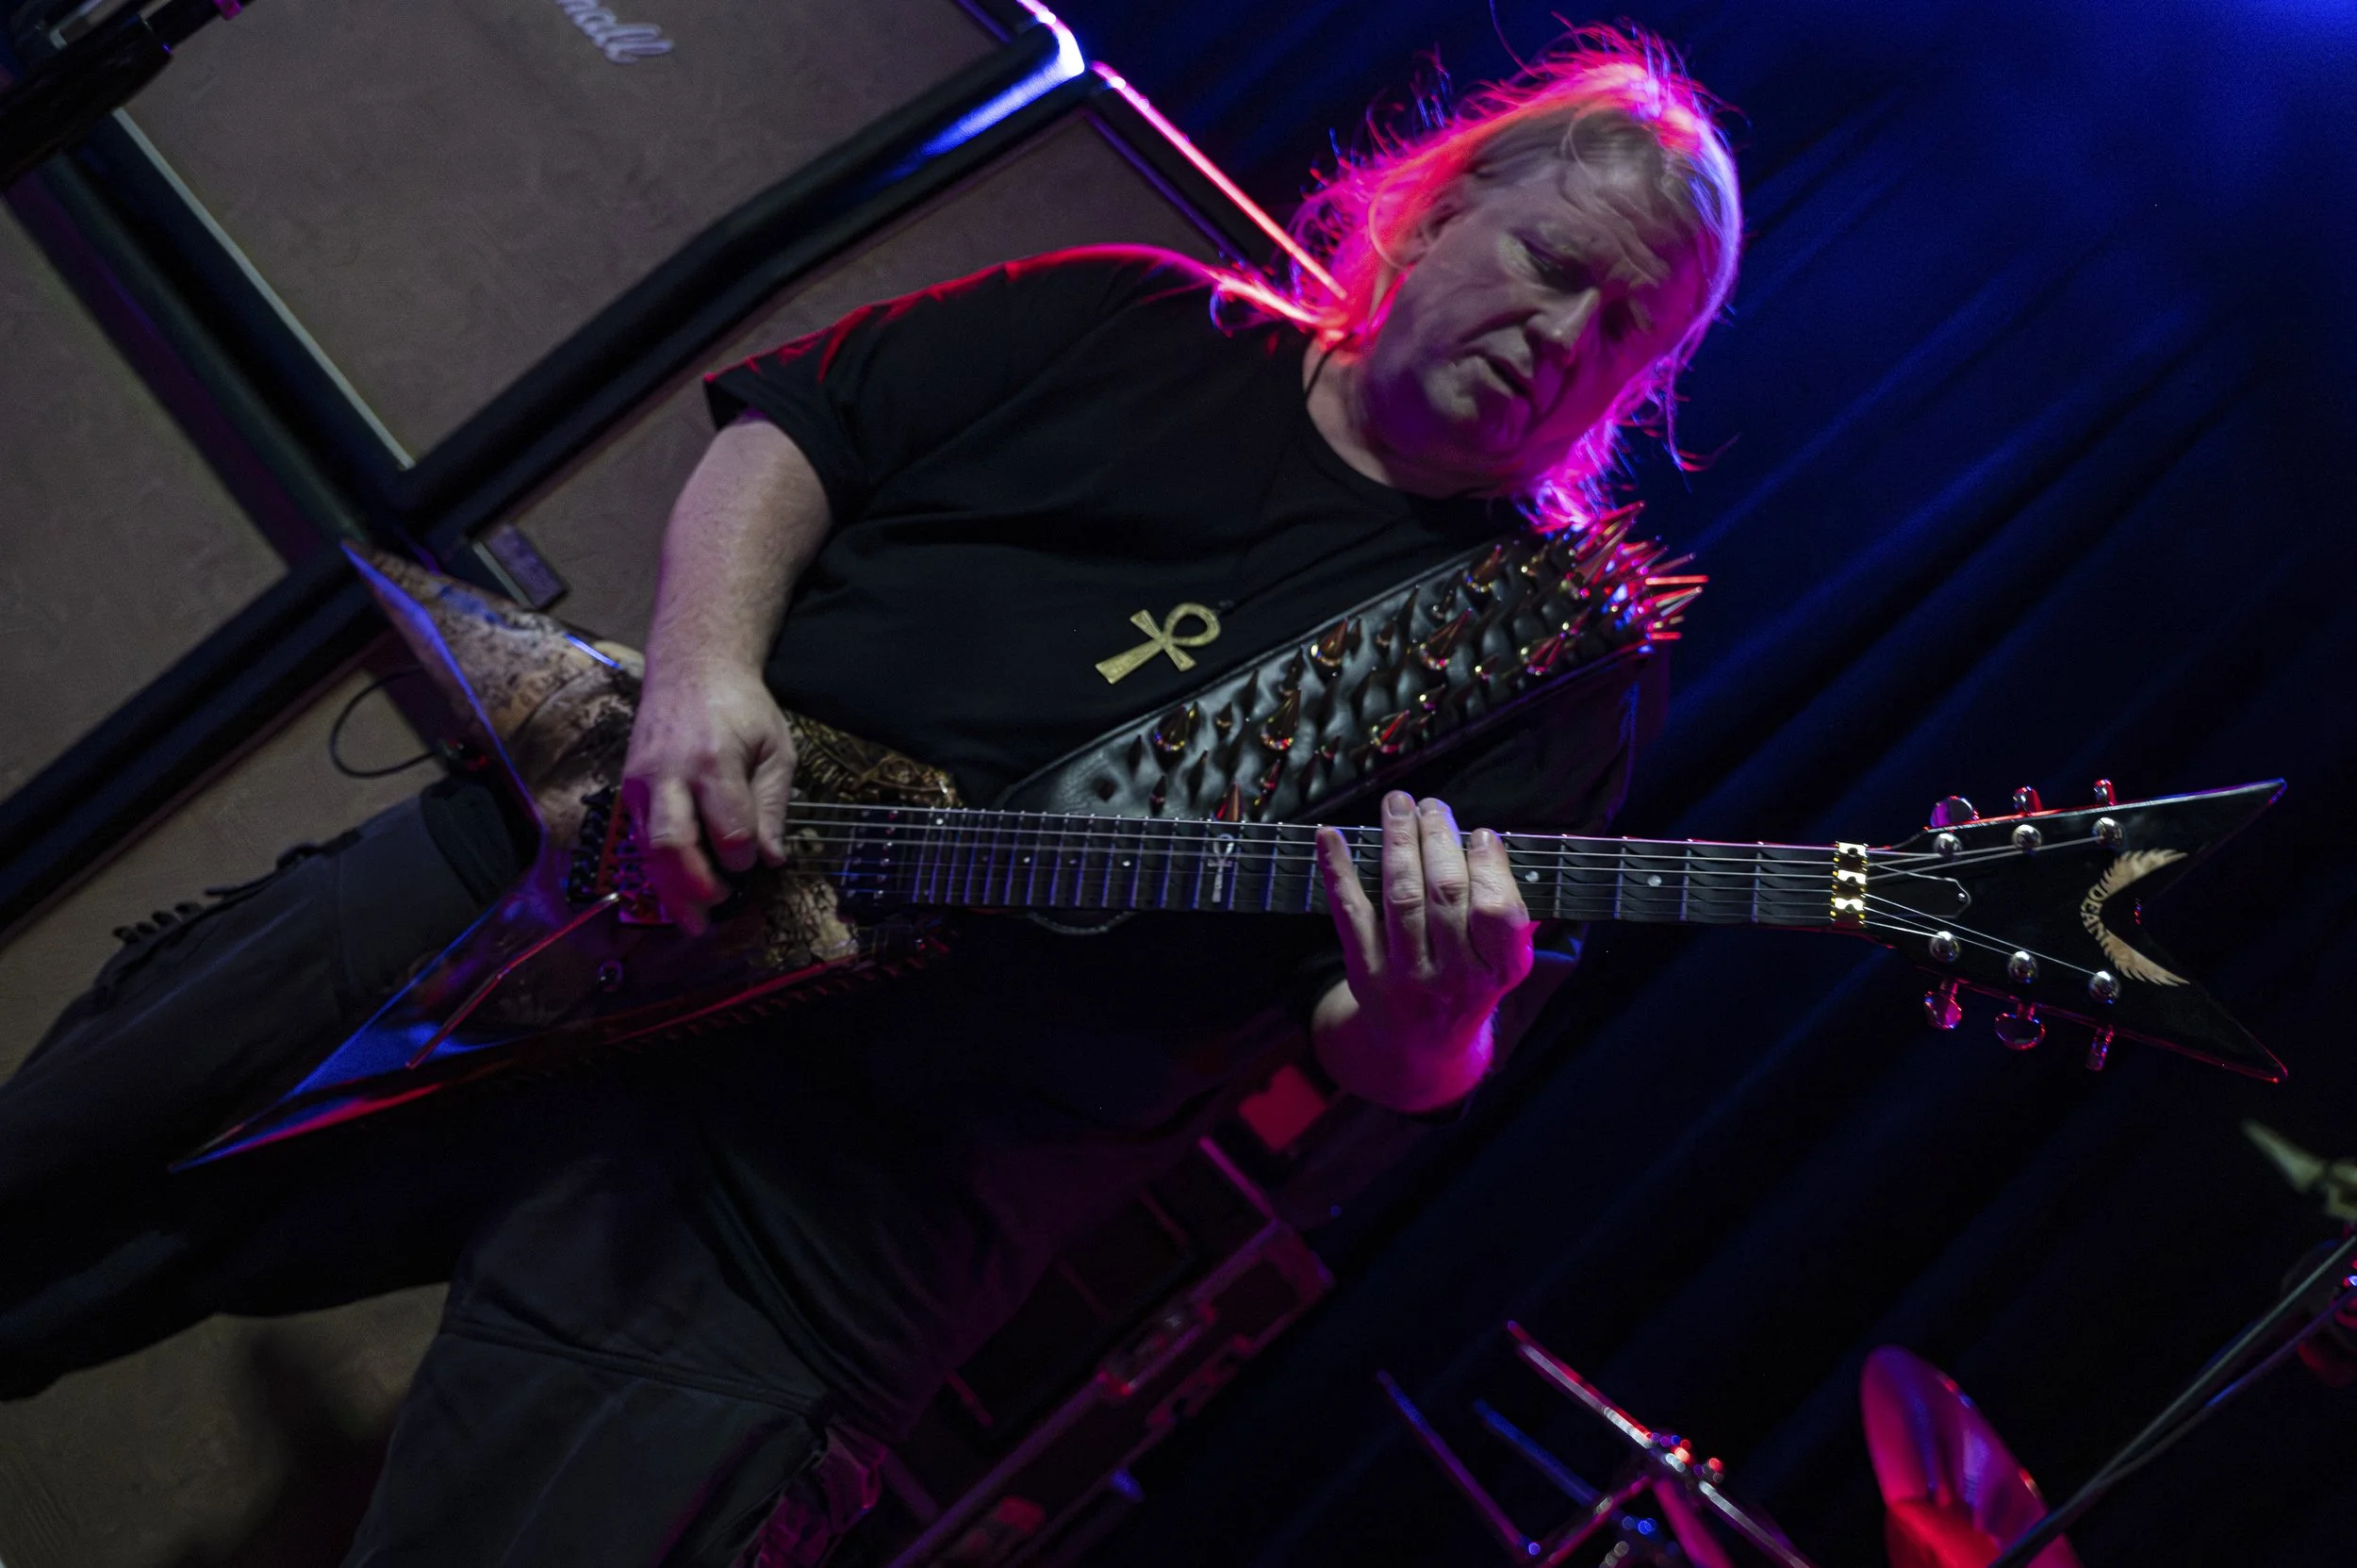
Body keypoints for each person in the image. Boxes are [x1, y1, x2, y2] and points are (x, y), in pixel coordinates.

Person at [0, 27, 1740, 1567]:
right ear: (1436, 215)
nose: (1572, 333)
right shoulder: (1140, 312)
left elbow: (1386, 1058)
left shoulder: (1554, 656)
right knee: (53, 1192)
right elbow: (796, 434)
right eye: (1558, 263)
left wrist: (1442, 1016)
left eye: (1632, 329)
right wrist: (702, 679)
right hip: (590, 867)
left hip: (851, 1195)